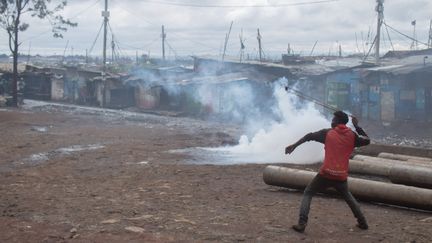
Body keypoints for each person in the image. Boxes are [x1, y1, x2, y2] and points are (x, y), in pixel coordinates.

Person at [285, 110, 370, 233]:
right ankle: (363, 222)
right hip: (341, 175)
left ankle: (302, 223)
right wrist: (357, 126)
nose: (331, 121)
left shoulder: (327, 133)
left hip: (326, 173)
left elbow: (309, 136)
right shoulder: (353, 136)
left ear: (338, 122)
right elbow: (367, 140)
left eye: (333, 119)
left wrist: (294, 145)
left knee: (308, 192)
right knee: (348, 197)